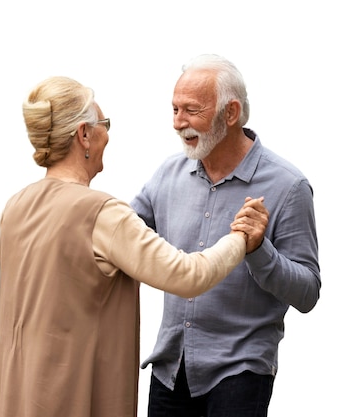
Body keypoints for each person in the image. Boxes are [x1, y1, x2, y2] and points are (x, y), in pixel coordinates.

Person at [0, 75, 268, 417]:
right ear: (84, 135)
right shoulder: (101, 215)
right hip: (75, 400)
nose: (108, 134)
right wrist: (242, 238)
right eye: (104, 124)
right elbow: (190, 274)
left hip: (21, 399)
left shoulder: (14, 209)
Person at [131, 54, 321, 417]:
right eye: (174, 109)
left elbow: (308, 292)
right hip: (171, 370)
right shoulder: (167, 174)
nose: (178, 122)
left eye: (191, 110)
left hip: (241, 373)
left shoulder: (288, 186)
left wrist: (258, 250)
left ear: (230, 113)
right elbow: (123, 233)